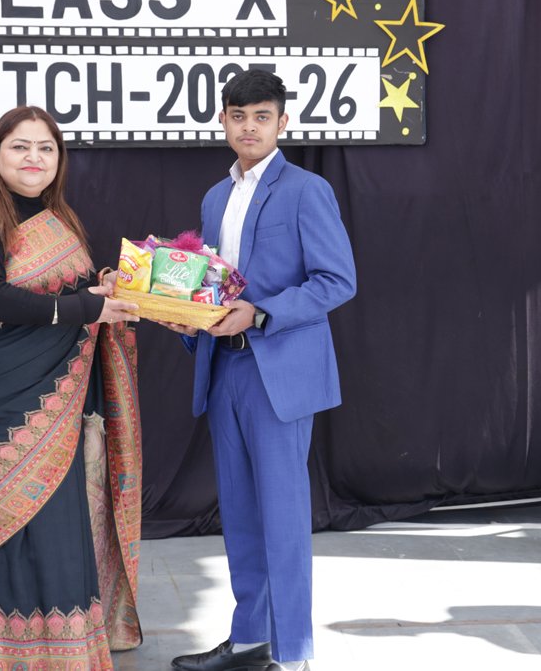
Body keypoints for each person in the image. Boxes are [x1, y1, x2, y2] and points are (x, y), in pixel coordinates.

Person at [0, 105, 144, 668]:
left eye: (46, 148)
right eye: (20, 146)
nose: (34, 158)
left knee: (57, 515)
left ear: (58, 159)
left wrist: (104, 290)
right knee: (2, 510)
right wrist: (86, 308)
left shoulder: (56, 218)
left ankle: (63, 649)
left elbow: (66, 294)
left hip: (58, 391)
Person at [161, 69, 356, 671]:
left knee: (284, 519)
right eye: (239, 116)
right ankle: (250, 640)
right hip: (224, 369)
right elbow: (215, 286)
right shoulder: (214, 198)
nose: (249, 127)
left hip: (278, 373)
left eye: (262, 116)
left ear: (282, 122)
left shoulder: (306, 190)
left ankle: (293, 653)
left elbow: (336, 281)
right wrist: (182, 313)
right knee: (241, 515)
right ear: (223, 120)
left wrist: (262, 312)